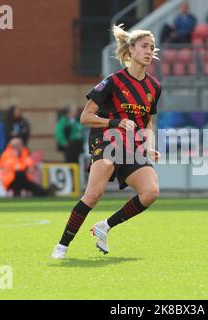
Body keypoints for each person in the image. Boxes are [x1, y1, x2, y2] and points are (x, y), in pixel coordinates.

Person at [52, 23, 162, 259]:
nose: (149, 51)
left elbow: (148, 121)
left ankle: (104, 226)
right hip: (107, 140)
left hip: (132, 146)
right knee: (93, 195)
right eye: (144, 46)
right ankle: (62, 246)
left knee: (151, 192)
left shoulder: (154, 86)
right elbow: (85, 117)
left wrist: (150, 146)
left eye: (152, 47)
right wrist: (116, 123)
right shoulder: (112, 81)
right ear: (131, 49)